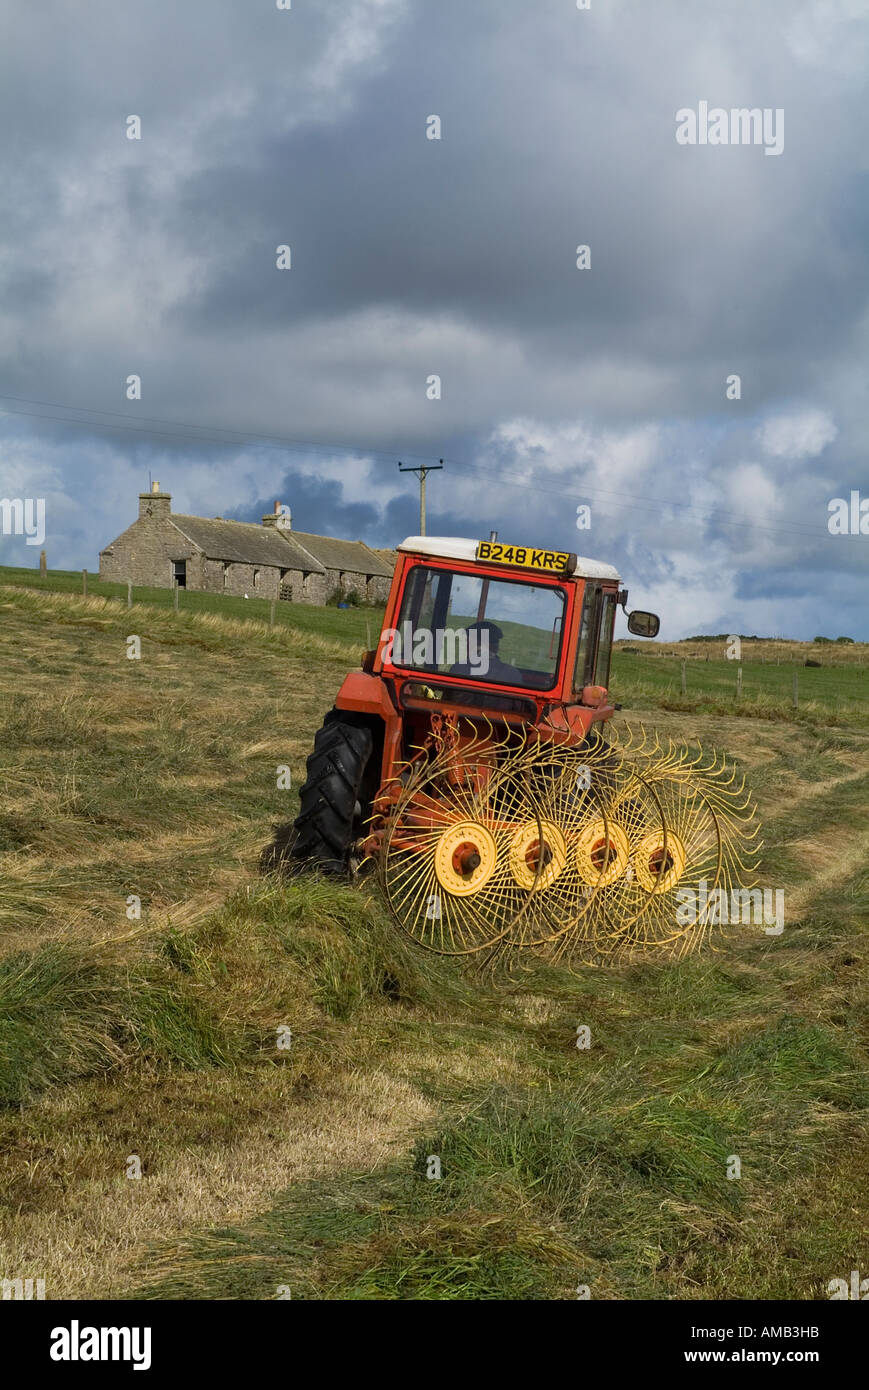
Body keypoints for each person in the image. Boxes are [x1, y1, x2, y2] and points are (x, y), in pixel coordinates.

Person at [450, 619, 524, 685]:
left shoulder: (458, 668)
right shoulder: (512, 674)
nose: (465, 645)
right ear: (496, 647)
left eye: (467, 641)